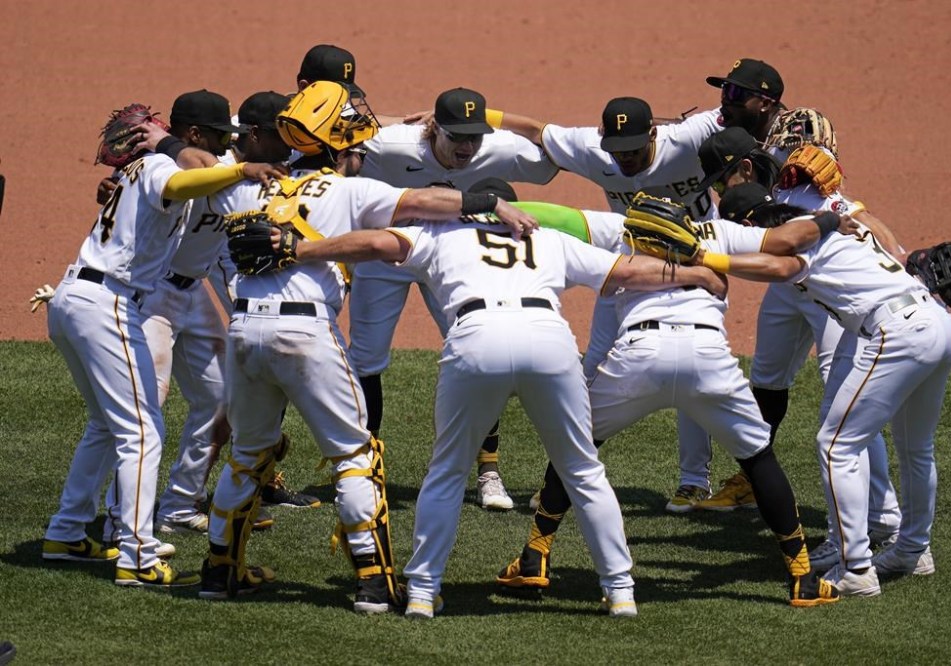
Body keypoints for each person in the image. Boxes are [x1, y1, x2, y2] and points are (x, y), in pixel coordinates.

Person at [269, 184, 731, 619]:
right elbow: (628, 272)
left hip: (476, 339)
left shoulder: (440, 234)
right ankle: (621, 592)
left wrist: (300, 249)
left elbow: (371, 245)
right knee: (583, 469)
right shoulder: (547, 238)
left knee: (448, 470)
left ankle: (424, 593)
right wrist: (695, 273)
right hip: (548, 339)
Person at [198, 81, 539, 610]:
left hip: (243, 330)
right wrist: (489, 199)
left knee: (246, 456)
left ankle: (218, 574)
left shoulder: (252, 185)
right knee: (355, 456)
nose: (361, 158)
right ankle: (374, 582)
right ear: (340, 148)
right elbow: (427, 201)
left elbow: (186, 172)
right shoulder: (350, 191)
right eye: (355, 150)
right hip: (306, 332)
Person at [497, 189, 845, 608]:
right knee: (758, 459)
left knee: (576, 447)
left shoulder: (623, 229)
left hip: (638, 356)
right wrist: (830, 219)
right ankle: (802, 577)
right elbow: (788, 240)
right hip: (708, 359)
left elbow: (560, 215)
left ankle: (535, 555)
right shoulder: (717, 232)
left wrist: (489, 204)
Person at [42, 93, 278, 587]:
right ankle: (138, 554)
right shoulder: (157, 167)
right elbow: (180, 179)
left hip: (79, 297)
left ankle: (66, 531)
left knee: (109, 425)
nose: (221, 150)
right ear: (193, 136)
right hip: (110, 302)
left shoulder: (137, 169)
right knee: (143, 431)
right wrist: (239, 173)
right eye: (216, 139)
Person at [689, 192, 951, 597]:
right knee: (916, 448)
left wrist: (710, 259)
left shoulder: (801, 238)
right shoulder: (830, 230)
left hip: (899, 330)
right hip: (935, 322)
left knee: (836, 445)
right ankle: (913, 549)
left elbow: (778, 266)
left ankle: (857, 569)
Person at [497, 94, 726, 511]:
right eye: (616, 151)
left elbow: (737, 112)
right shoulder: (590, 148)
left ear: (653, 134)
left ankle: (694, 481)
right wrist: (469, 118)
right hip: (628, 261)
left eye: (634, 150)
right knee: (593, 363)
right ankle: (564, 474)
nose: (626, 159)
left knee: (698, 366)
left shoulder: (686, 139)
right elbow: (536, 130)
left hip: (697, 261)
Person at [698, 115, 903, 576]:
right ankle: (754, 479)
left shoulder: (803, 177)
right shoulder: (769, 178)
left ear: (744, 171)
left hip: (827, 295)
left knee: (843, 401)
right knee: (767, 377)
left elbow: (856, 212)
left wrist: (899, 256)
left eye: (723, 180)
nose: (719, 191)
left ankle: (879, 519)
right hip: (791, 289)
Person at [350, 86, 560, 510]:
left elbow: (552, 154)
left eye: (474, 136)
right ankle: (363, 472)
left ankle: (488, 472)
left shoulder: (498, 149)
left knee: (479, 352)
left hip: (451, 259)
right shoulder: (392, 145)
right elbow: (344, 142)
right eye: (456, 136)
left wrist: (500, 118)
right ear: (432, 129)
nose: (467, 147)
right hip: (385, 257)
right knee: (365, 361)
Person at [706, 58, 785, 142]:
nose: (726, 101)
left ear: (765, 104)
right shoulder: (727, 121)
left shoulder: (788, 149)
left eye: (736, 93)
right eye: (726, 89)